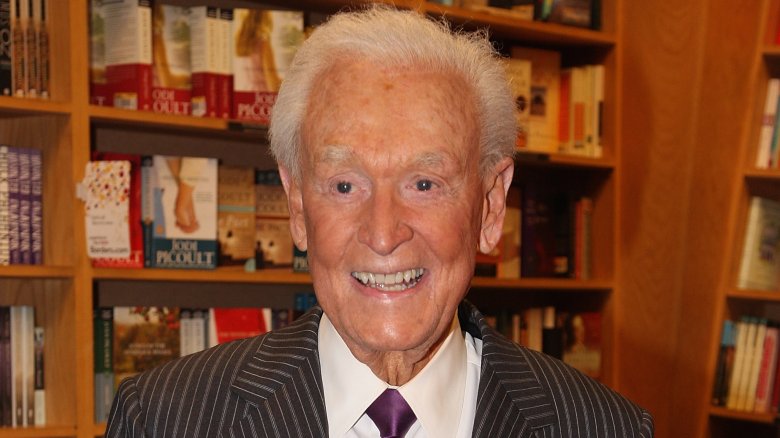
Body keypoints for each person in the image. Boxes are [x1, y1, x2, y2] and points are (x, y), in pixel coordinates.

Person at [106, 6, 654, 438]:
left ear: (490, 206)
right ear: (298, 208)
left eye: (424, 184)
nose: (384, 233)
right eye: (345, 186)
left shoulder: (607, 428)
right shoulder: (163, 418)